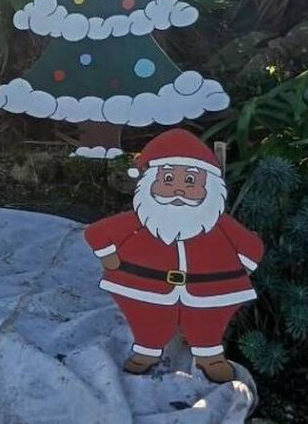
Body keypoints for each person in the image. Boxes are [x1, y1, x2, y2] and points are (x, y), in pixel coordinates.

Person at [85, 129, 263, 383]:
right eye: (168, 178)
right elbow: (97, 233)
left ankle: (209, 355)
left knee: (208, 319)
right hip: (145, 287)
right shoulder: (140, 221)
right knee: (147, 316)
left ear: (208, 185)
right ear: (151, 183)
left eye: (190, 181)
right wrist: (108, 256)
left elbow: (252, 247)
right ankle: (147, 350)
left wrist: (239, 269)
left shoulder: (218, 223)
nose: (178, 189)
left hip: (210, 290)